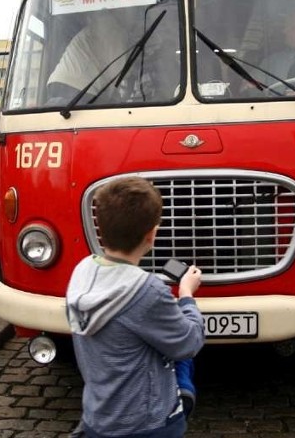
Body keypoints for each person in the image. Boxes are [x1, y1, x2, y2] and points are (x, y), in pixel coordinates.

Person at [66, 176, 204, 438]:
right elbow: (189, 342)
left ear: (100, 227)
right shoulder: (147, 291)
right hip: (147, 424)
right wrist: (186, 294)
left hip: (98, 418)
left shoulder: (81, 272)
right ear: (151, 234)